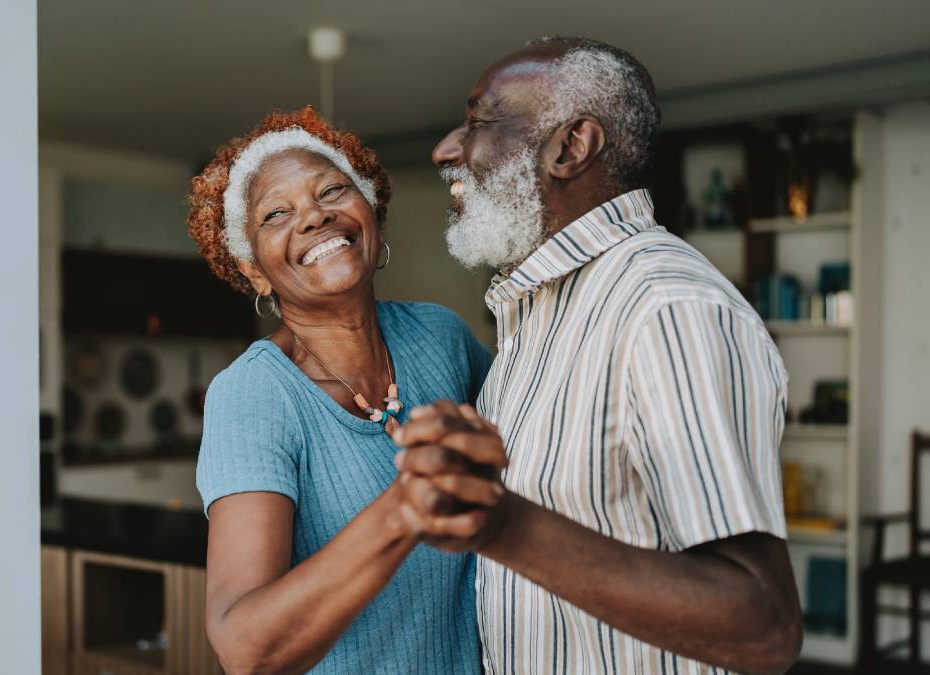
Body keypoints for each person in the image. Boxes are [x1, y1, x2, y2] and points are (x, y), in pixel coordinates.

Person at [390, 37, 804, 674]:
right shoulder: (538, 315)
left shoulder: (666, 309)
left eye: (478, 121)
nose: (446, 149)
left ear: (570, 147)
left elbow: (763, 624)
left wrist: (502, 527)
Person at [187, 106, 494, 674]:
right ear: (254, 270)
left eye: (331, 190)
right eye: (277, 213)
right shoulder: (253, 396)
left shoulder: (442, 336)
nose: (313, 217)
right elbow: (245, 648)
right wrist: (405, 507)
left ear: (370, 209)